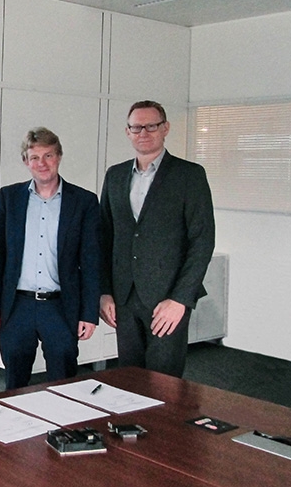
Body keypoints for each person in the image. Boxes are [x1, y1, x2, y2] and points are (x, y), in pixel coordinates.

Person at [99, 100, 215, 378]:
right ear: (127, 132)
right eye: (136, 127)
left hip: (168, 299)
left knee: (164, 383)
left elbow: (202, 241)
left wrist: (180, 299)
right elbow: (103, 238)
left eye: (151, 126)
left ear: (165, 128)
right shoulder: (115, 175)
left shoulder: (189, 175)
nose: (144, 132)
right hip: (124, 298)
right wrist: (104, 292)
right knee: (128, 379)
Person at [0, 127, 99, 388]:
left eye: (48, 155)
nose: (42, 163)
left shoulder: (84, 201)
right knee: (15, 384)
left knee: (64, 383)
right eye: (34, 157)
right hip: (16, 307)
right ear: (26, 161)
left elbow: (91, 261)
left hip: (60, 307)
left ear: (59, 157)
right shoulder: (9, 198)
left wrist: (89, 313)